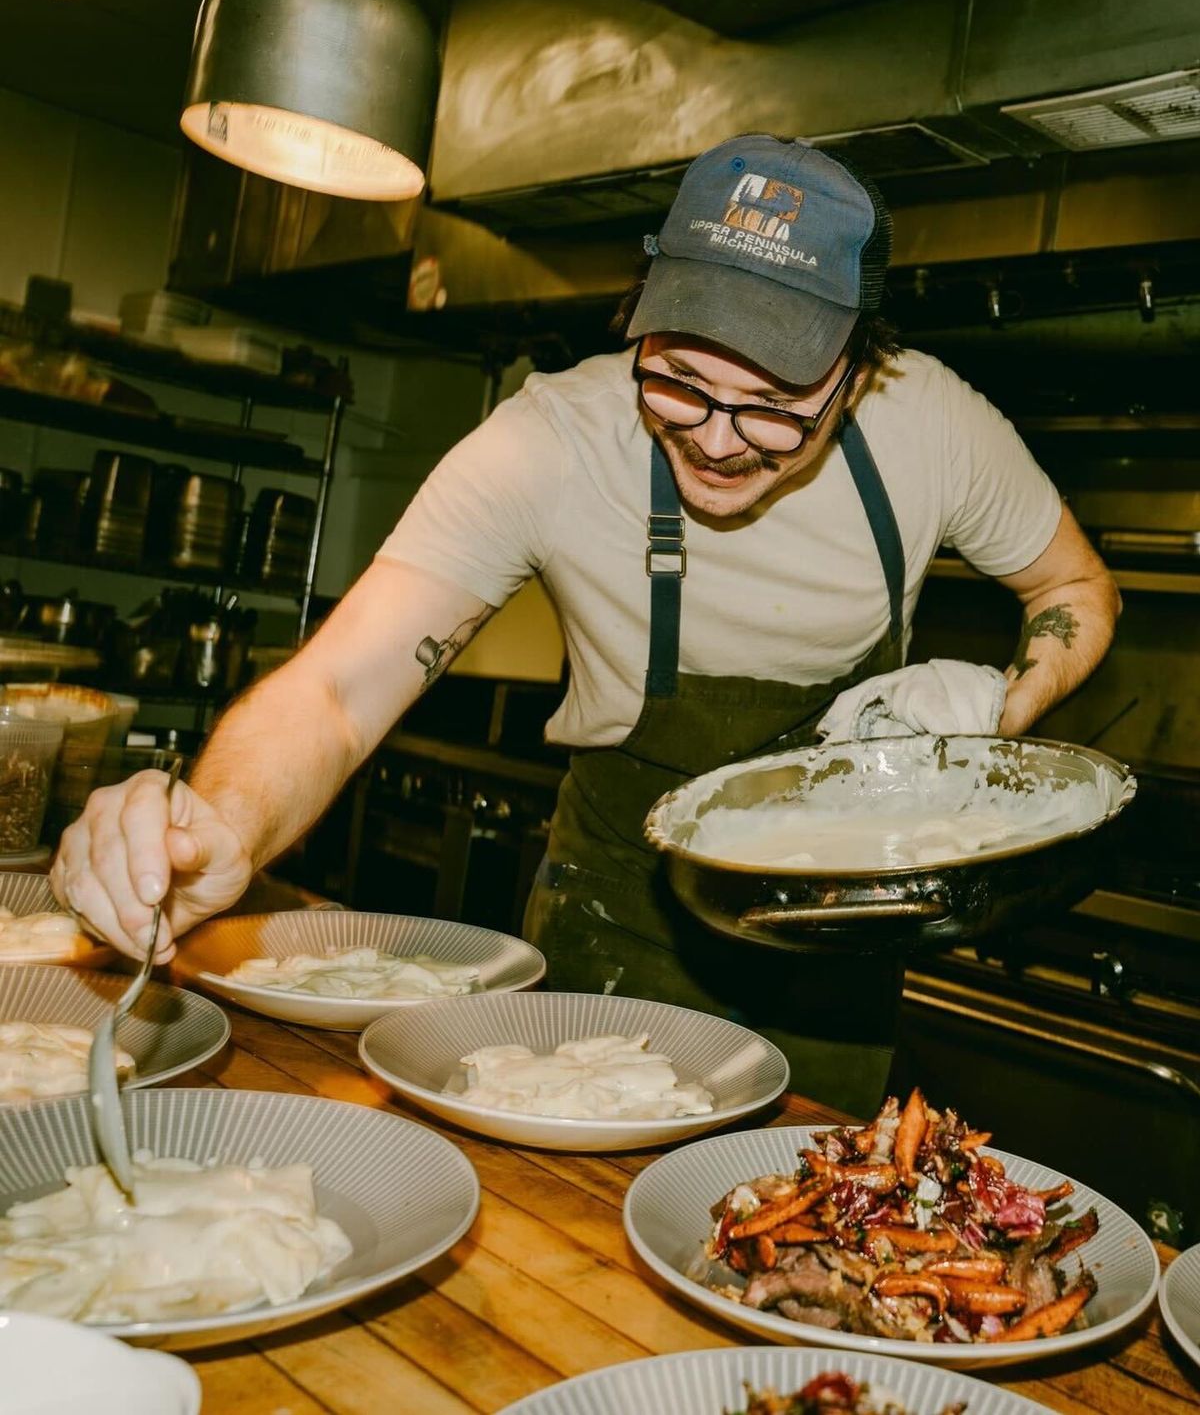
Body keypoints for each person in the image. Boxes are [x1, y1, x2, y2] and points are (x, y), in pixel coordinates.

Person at [52, 135, 1119, 1114]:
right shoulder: (550, 444)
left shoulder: (932, 427)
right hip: (618, 918)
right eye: (680, 382)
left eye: (774, 405)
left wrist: (993, 714)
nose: (717, 442)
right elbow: (336, 691)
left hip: (836, 943)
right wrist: (220, 828)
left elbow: (1075, 592)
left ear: (860, 370)